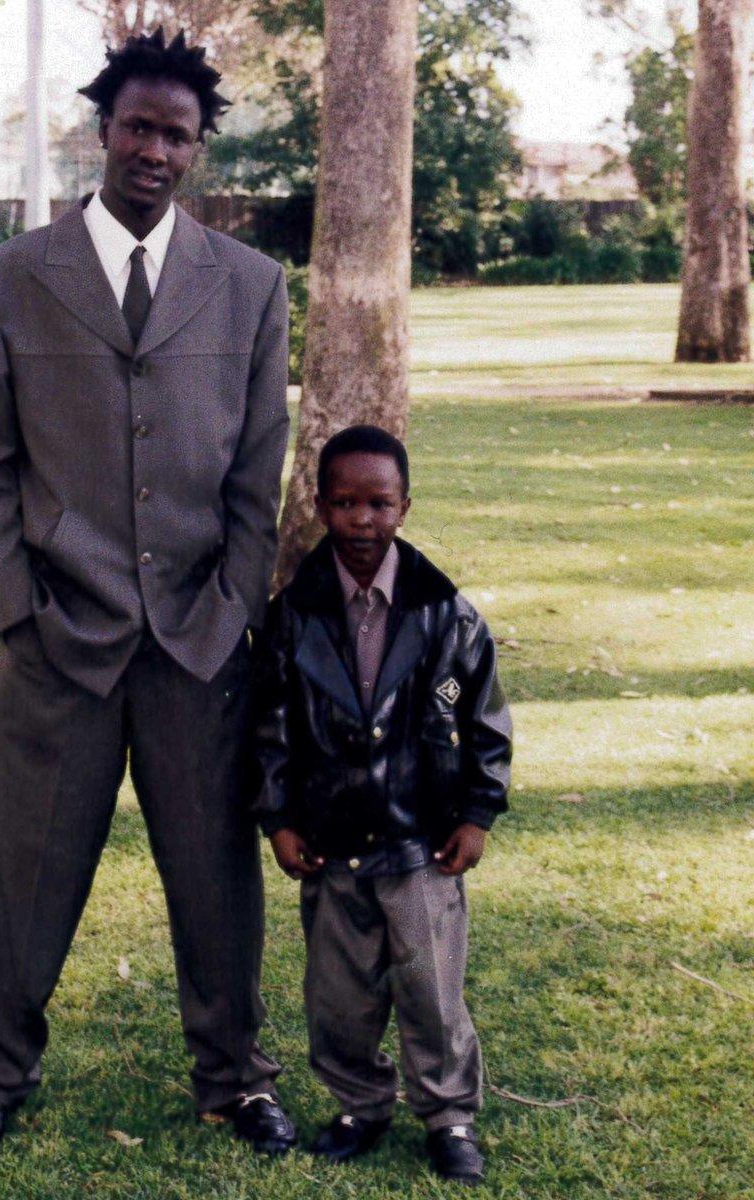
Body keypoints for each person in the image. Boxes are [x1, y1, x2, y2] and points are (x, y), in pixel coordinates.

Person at [0, 28, 294, 1155]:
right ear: (104, 129)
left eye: (176, 135)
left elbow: (258, 470)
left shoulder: (247, 287)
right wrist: (18, 613)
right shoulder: (7, 283)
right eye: (138, 126)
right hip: (57, 646)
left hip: (198, 644)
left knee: (216, 881)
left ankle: (234, 1077)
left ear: (197, 150)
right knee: (19, 876)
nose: (154, 149)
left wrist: (234, 605)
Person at [252, 425, 512, 1186]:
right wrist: (280, 816)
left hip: (420, 844)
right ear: (320, 504)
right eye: (344, 503)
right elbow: (268, 729)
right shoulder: (292, 614)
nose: (361, 520)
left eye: (379, 503)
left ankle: (449, 1115)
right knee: (338, 996)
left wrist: (476, 812)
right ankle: (360, 1104)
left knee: (431, 989)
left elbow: (481, 719)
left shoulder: (446, 616)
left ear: (404, 506)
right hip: (332, 842)